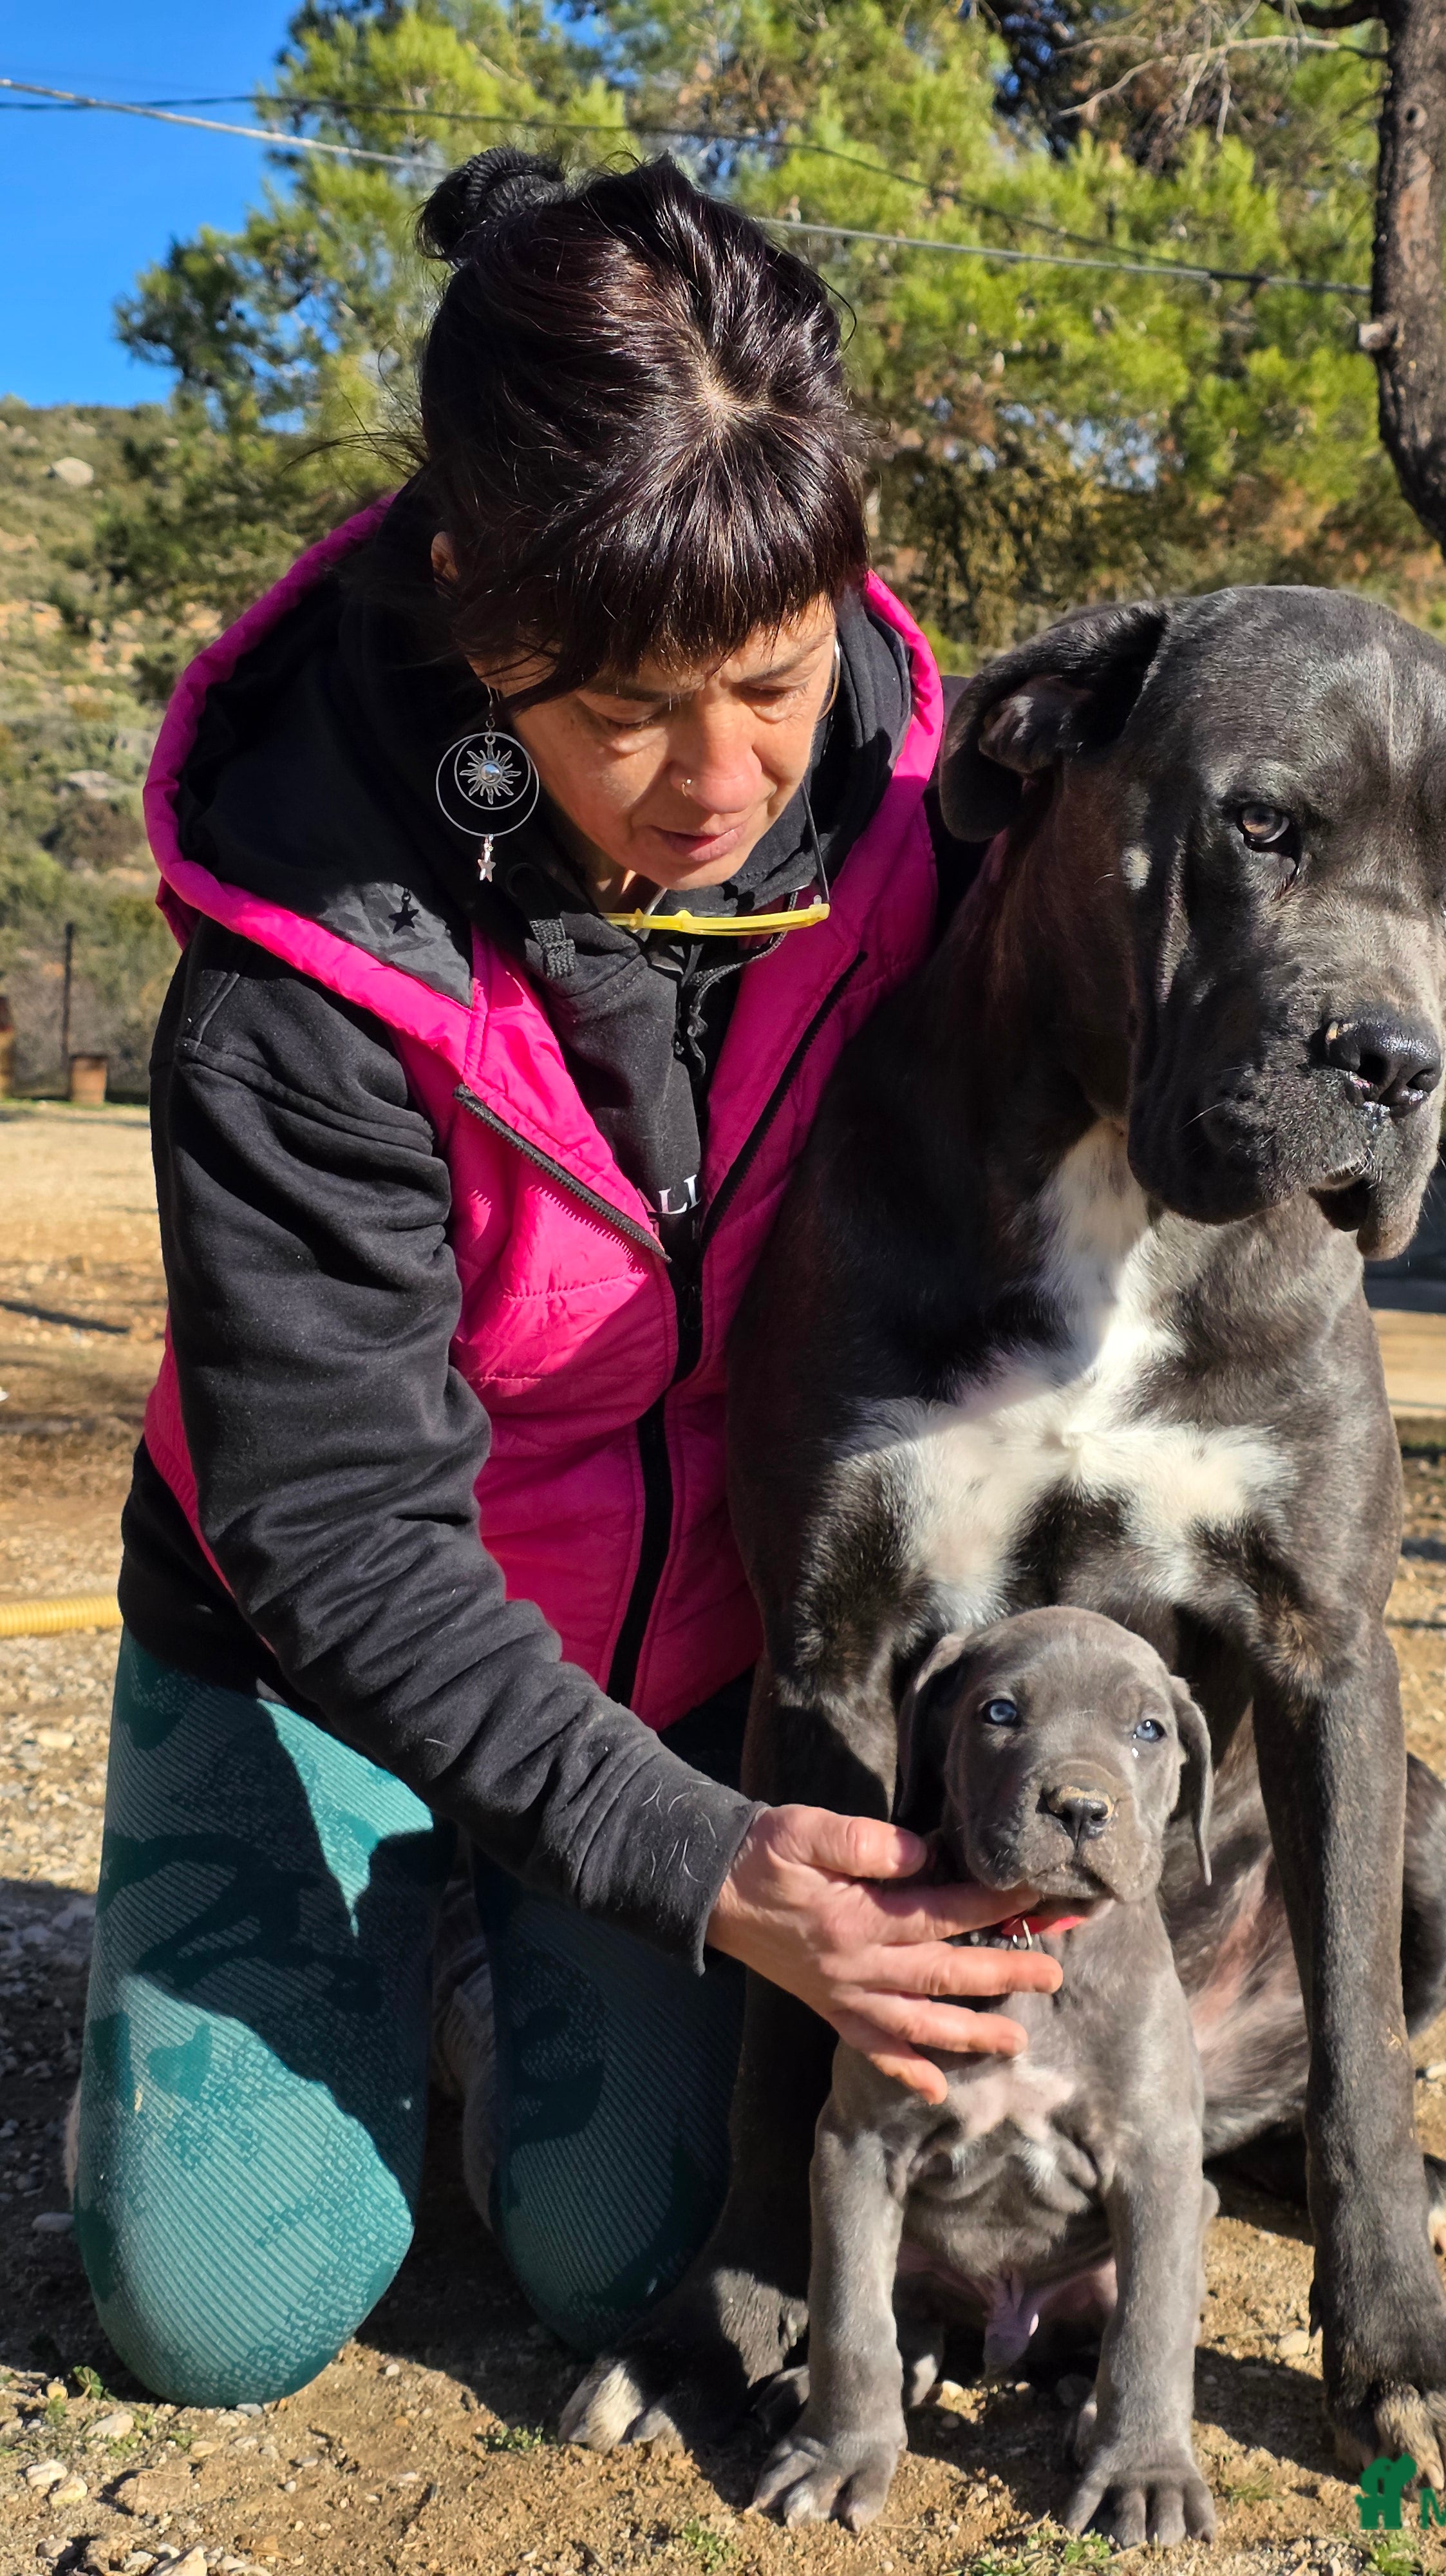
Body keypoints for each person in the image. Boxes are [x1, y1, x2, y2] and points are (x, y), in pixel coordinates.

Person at [71, 147, 1058, 2410]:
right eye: (618, 710)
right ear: (468, 597)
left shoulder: (930, 820)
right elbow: (330, 1530)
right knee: (219, 2316)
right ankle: (351, 1924)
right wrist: (718, 1872)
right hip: (309, 1651)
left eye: (775, 682)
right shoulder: (293, 973)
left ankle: (489, 1970)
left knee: (633, 2276)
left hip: (684, 1646)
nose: (717, 783)